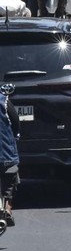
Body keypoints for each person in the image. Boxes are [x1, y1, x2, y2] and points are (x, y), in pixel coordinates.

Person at [0, 86, 20, 228]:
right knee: (10, 176)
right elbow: (15, 122)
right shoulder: (4, 100)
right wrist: (14, 136)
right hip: (5, 154)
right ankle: (7, 207)